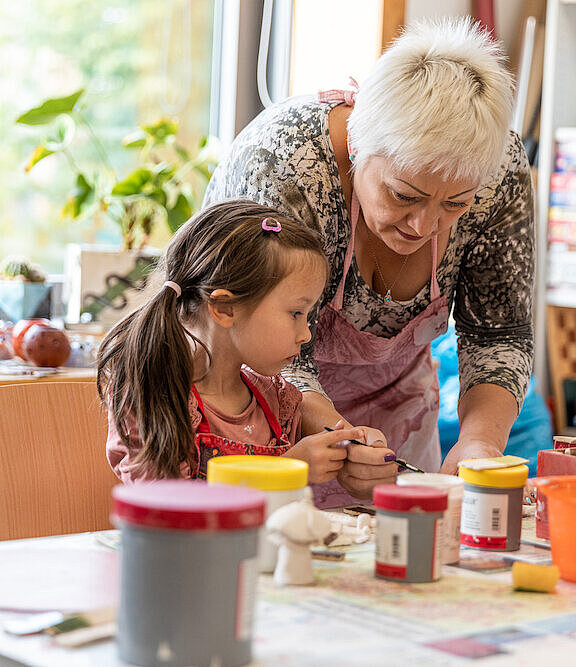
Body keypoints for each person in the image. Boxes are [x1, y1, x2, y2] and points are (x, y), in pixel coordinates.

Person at [203, 18, 535, 508]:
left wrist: (480, 443)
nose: (424, 226)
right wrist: (340, 435)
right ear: (358, 145)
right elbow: (260, 338)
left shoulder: (496, 170)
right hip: (258, 398)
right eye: (404, 195)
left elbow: (499, 334)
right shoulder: (283, 162)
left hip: (398, 399)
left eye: (454, 205)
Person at [98, 201, 396, 483]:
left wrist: (350, 452)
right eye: (295, 313)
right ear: (225, 308)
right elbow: (165, 509)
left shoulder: (277, 402)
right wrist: (283, 471)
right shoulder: (156, 396)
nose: (306, 334)